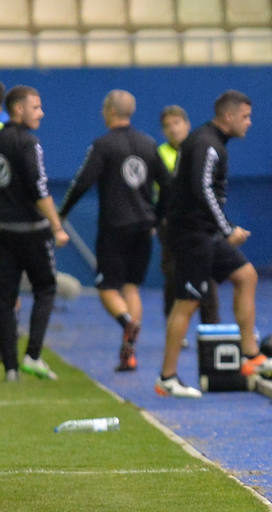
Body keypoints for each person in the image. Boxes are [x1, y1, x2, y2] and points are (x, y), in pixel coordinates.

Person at [156, 90, 272, 397]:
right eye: (245, 117)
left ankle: (251, 356)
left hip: (203, 233)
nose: (249, 123)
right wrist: (226, 228)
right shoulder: (206, 143)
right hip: (191, 236)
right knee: (186, 304)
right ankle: (167, 377)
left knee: (246, 275)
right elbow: (203, 189)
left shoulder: (211, 142)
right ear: (228, 117)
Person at [60, 90, 170, 372]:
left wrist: (60, 214)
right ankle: (129, 352)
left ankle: (126, 324)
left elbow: (82, 183)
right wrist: (156, 219)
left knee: (107, 287)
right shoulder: (148, 144)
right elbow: (169, 187)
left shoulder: (103, 145)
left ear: (109, 110)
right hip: (144, 227)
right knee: (131, 288)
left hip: (114, 228)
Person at [0, 85, 70, 381]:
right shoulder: (29, 143)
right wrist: (56, 226)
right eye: (36, 107)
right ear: (18, 108)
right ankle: (33, 355)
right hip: (31, 230)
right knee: (45, 288)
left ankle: (11, 368)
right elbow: (39, 189)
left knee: (4, 297)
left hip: (3, 229)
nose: (41, 113)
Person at [157, 105, 220, 327]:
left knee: (206, 273)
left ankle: (211, 326)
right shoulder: (160, 154)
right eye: (167, 126)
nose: (173, 129)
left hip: (199, 224)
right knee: (173, 276)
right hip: (171, 225)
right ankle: (174, 325)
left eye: (176, 123)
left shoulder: (199, 149)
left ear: (187, 124)